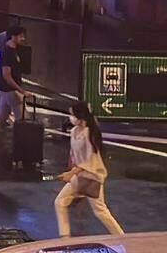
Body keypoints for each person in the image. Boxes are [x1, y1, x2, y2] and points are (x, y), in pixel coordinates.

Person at [54, 101, 124, 237]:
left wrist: (71, 173)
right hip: (78, 177)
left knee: (100, 211)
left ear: (80, 116)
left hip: (92, 177)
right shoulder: (74, 131)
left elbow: (90, 160)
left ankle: (121, 236)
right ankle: (64, 238)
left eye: (72, 114)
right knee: (60, 202)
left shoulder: (89, 134)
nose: (70, 117)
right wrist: (69, 171)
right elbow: (73, 154)